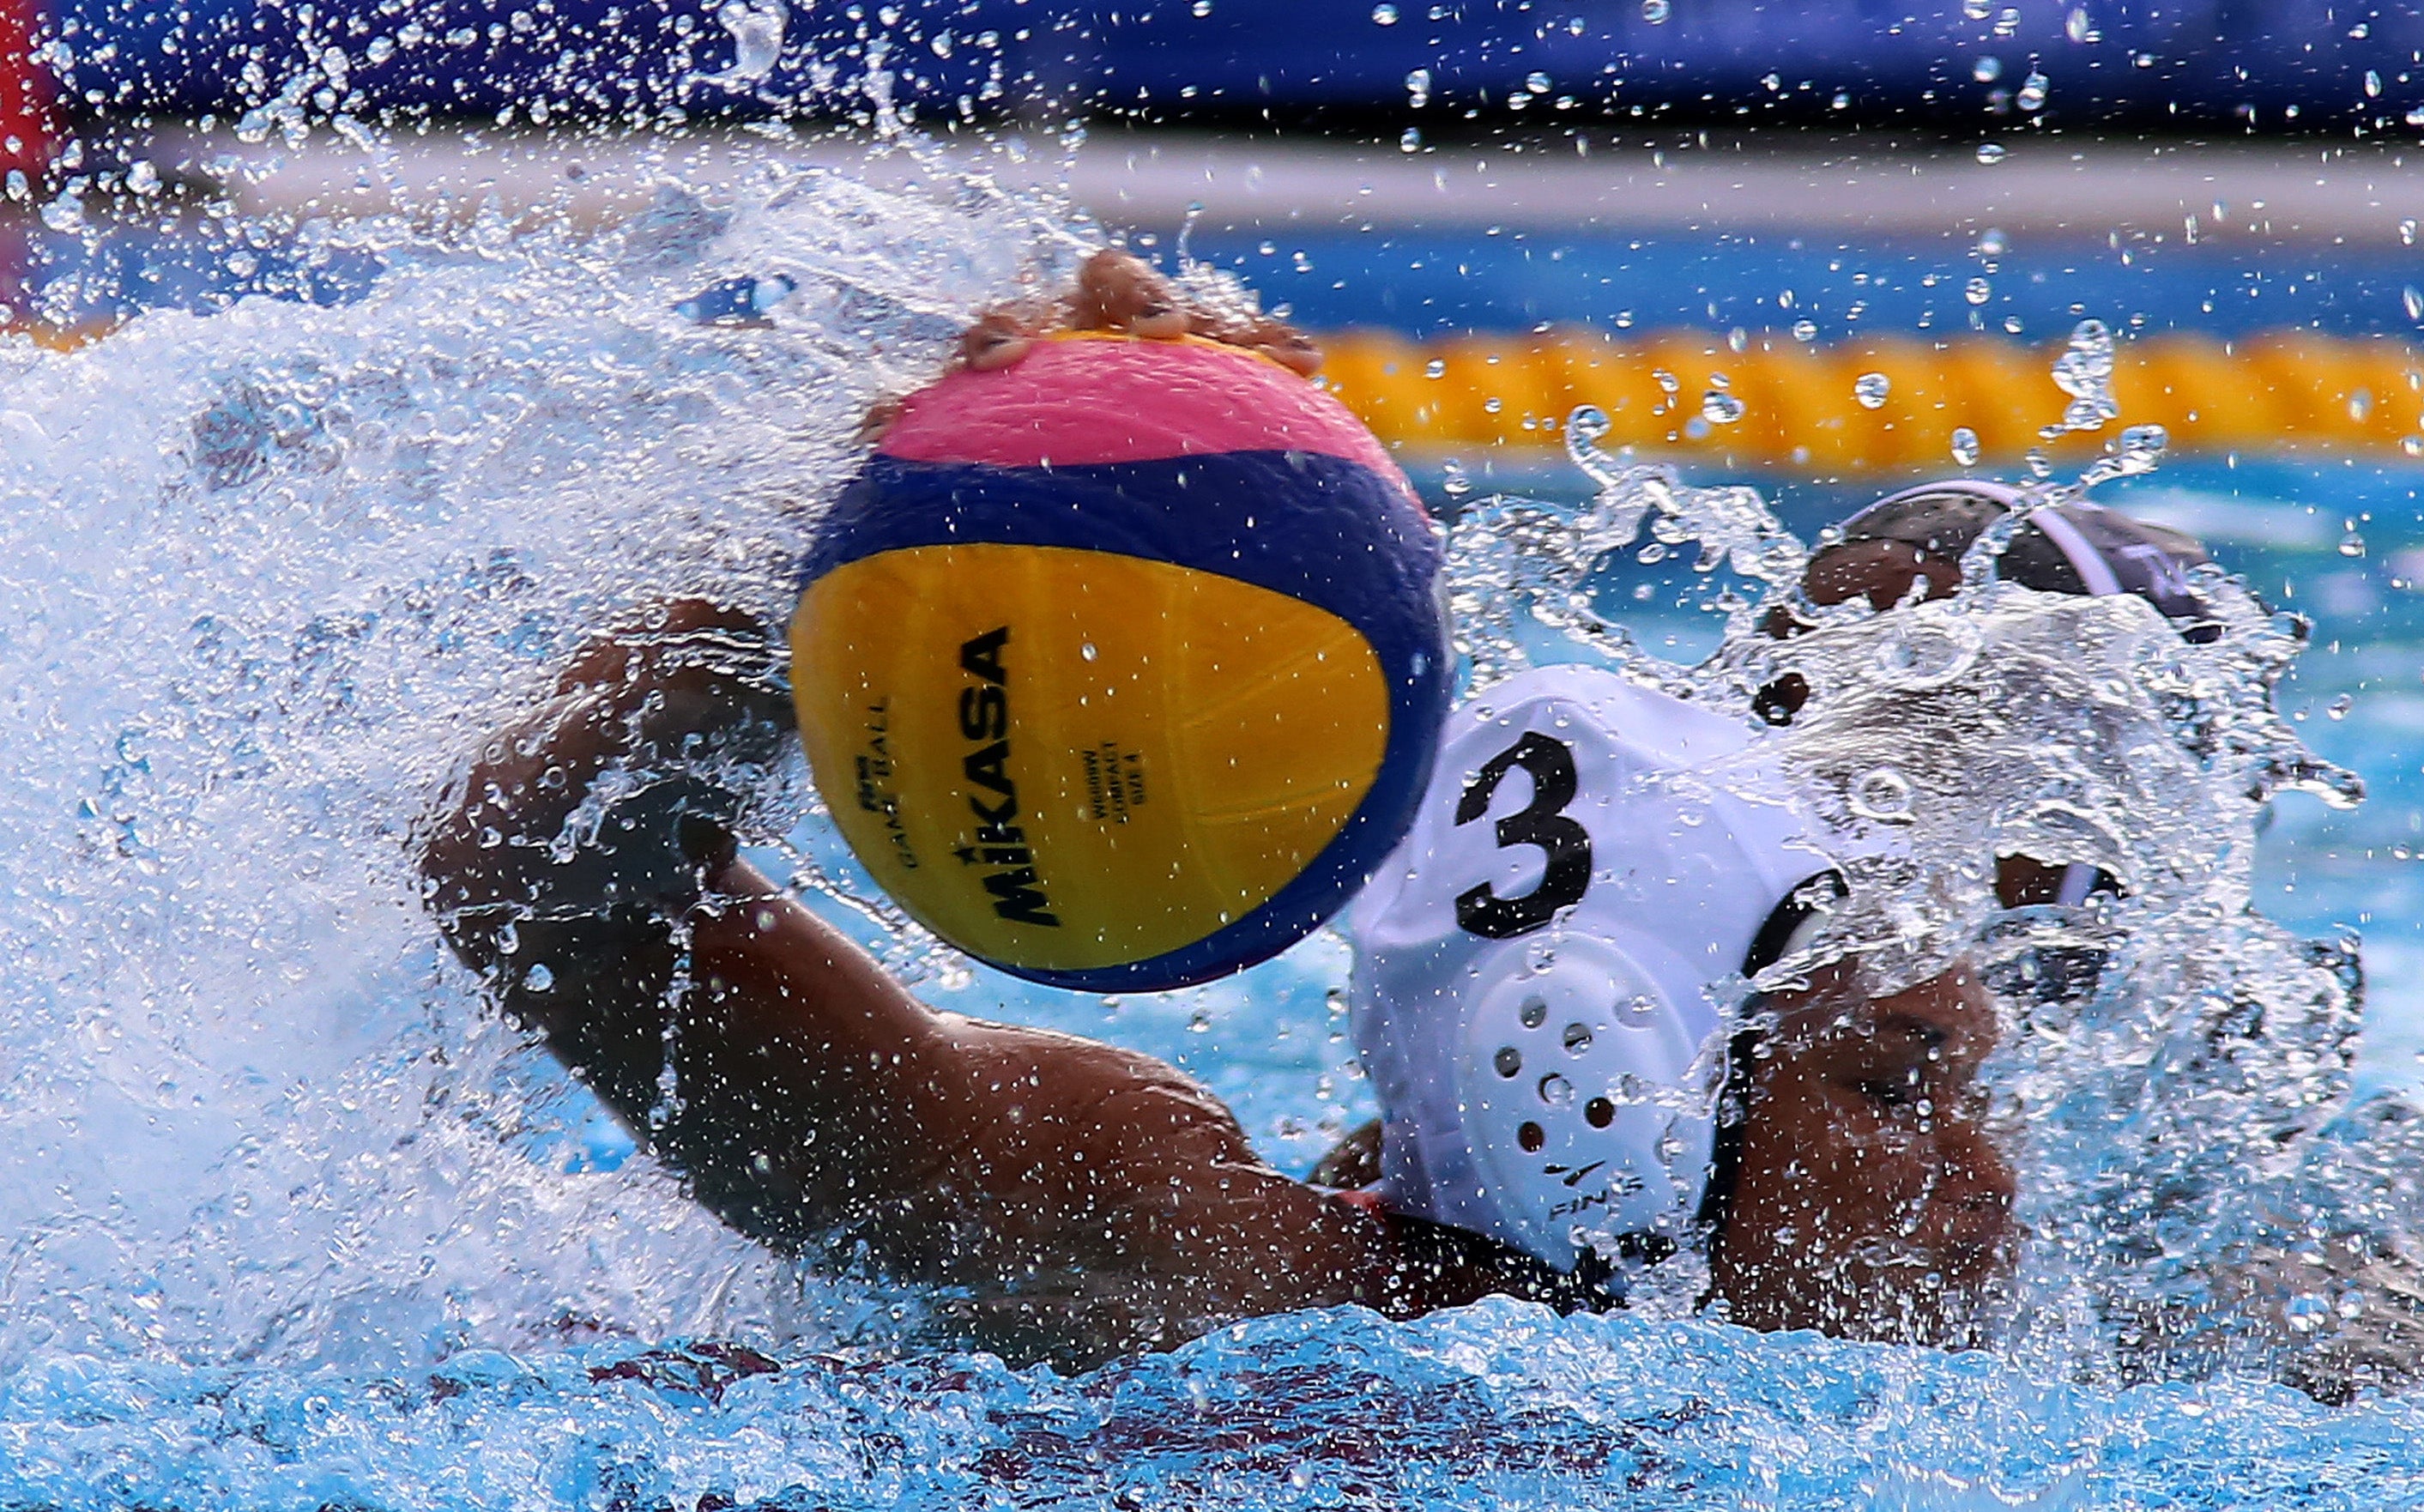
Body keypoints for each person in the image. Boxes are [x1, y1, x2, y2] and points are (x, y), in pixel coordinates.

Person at [419, 250, 2022, 1371]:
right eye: (1897, 1088)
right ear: (1593, 1077)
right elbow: (538, 881)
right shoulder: (1188, 1269)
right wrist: (863, 571)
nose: (1995, 1179)